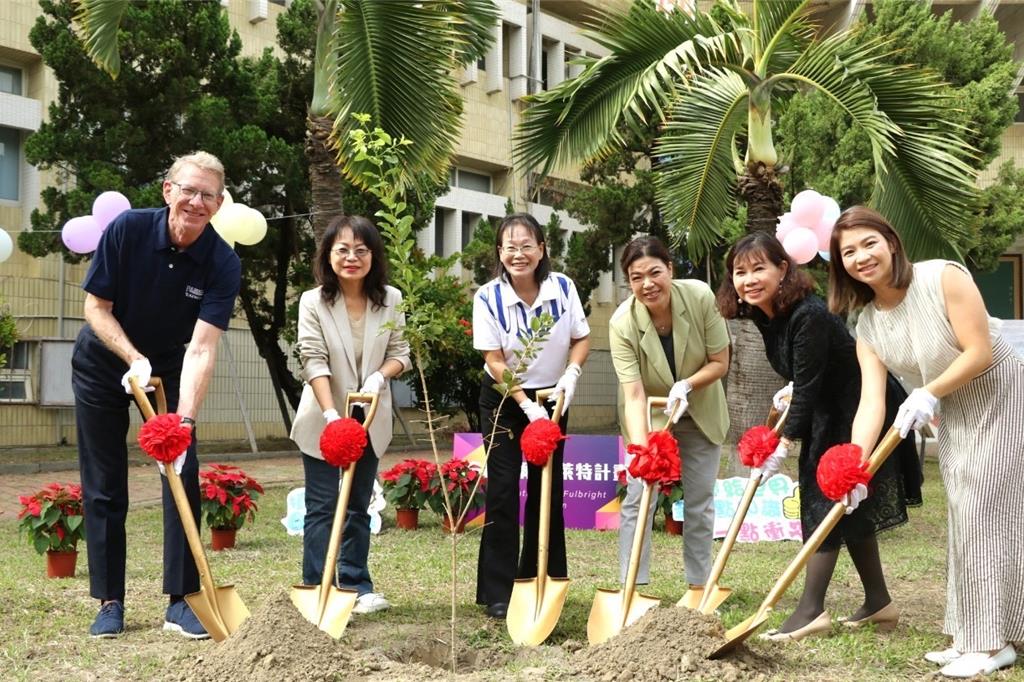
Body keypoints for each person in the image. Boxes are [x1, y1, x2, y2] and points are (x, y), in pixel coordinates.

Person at [830, 206, 1023, 678]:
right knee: (963, 507)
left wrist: (927, 391)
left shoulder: (943, 278)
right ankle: (973, 632)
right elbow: (872, 403)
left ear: (891, 241)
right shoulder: (868, 325)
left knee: (983, 504)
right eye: (848, 252)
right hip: (951, 406)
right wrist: (855, 466)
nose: (861, 256)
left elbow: (978, 350)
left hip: (998, 391)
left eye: (868, 242)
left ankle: (991, 643)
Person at [718, 231, 921, 641]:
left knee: (823, 501)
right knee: (850, 510)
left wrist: (784, 444)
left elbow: (810, 389)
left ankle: (810, 610)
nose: (749, 279)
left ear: (783, 269)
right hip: (828, 409)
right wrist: (791, 387)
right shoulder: (767, 314)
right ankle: (879, 602)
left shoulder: (807, 314)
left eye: (760, 268)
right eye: (740, 272)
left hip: (860, 409)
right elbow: (805, 376)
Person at [72, 151, 240, 639]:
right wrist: (130, 358)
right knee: (105, 482)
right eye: (187, 189)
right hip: (103, 360)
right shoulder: (127, 229)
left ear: (219, 203)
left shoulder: (222, 262)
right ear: (168, 189)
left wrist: (184, 423)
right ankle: (110, 600)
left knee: (181, 475)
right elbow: (95, 308)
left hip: (168, 366)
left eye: (207, 194)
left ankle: (182, 601)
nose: (195, 201)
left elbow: (203, 349)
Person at [290, 215, 411, 615]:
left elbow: (401, 354)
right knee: (323, 506)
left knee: (358, 506)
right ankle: (316, 585)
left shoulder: (391, 298)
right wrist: (330, 416)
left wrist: (380, 376)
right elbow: (313, 358)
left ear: (374, 256)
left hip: (370, 421)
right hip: (324, 421)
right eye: (342, 249)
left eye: (361, 250)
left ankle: (356, 584)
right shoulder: (313, 301)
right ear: (328, 255)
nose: (352, 257)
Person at [472, 212, 590, 619]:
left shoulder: (563, 287)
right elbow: (494, 359)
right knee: (503, 489)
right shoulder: (487, 296)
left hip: (554, 397)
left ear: (542, 249)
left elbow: (581, 337)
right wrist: (525, 405)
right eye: (510, 246)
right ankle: (499, 592)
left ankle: (543, 577)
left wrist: (571, 375)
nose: (518, 253)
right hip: (505, 400)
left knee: (547, 490)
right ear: (500, 253)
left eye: (527, 245)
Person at [608, 236, 729, 595]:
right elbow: (633, 395)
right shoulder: (621, 323)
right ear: (628, 282)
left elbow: (720, 362)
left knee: (699, 500)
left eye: (655, 272)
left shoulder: (700, 297)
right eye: (636, 277)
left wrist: (687, 385)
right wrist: (644, 453)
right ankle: (633, 585)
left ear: (670, 269)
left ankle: (698, 584)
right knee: (638, 497)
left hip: (700, 404)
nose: (647, 284)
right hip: (648, 414)